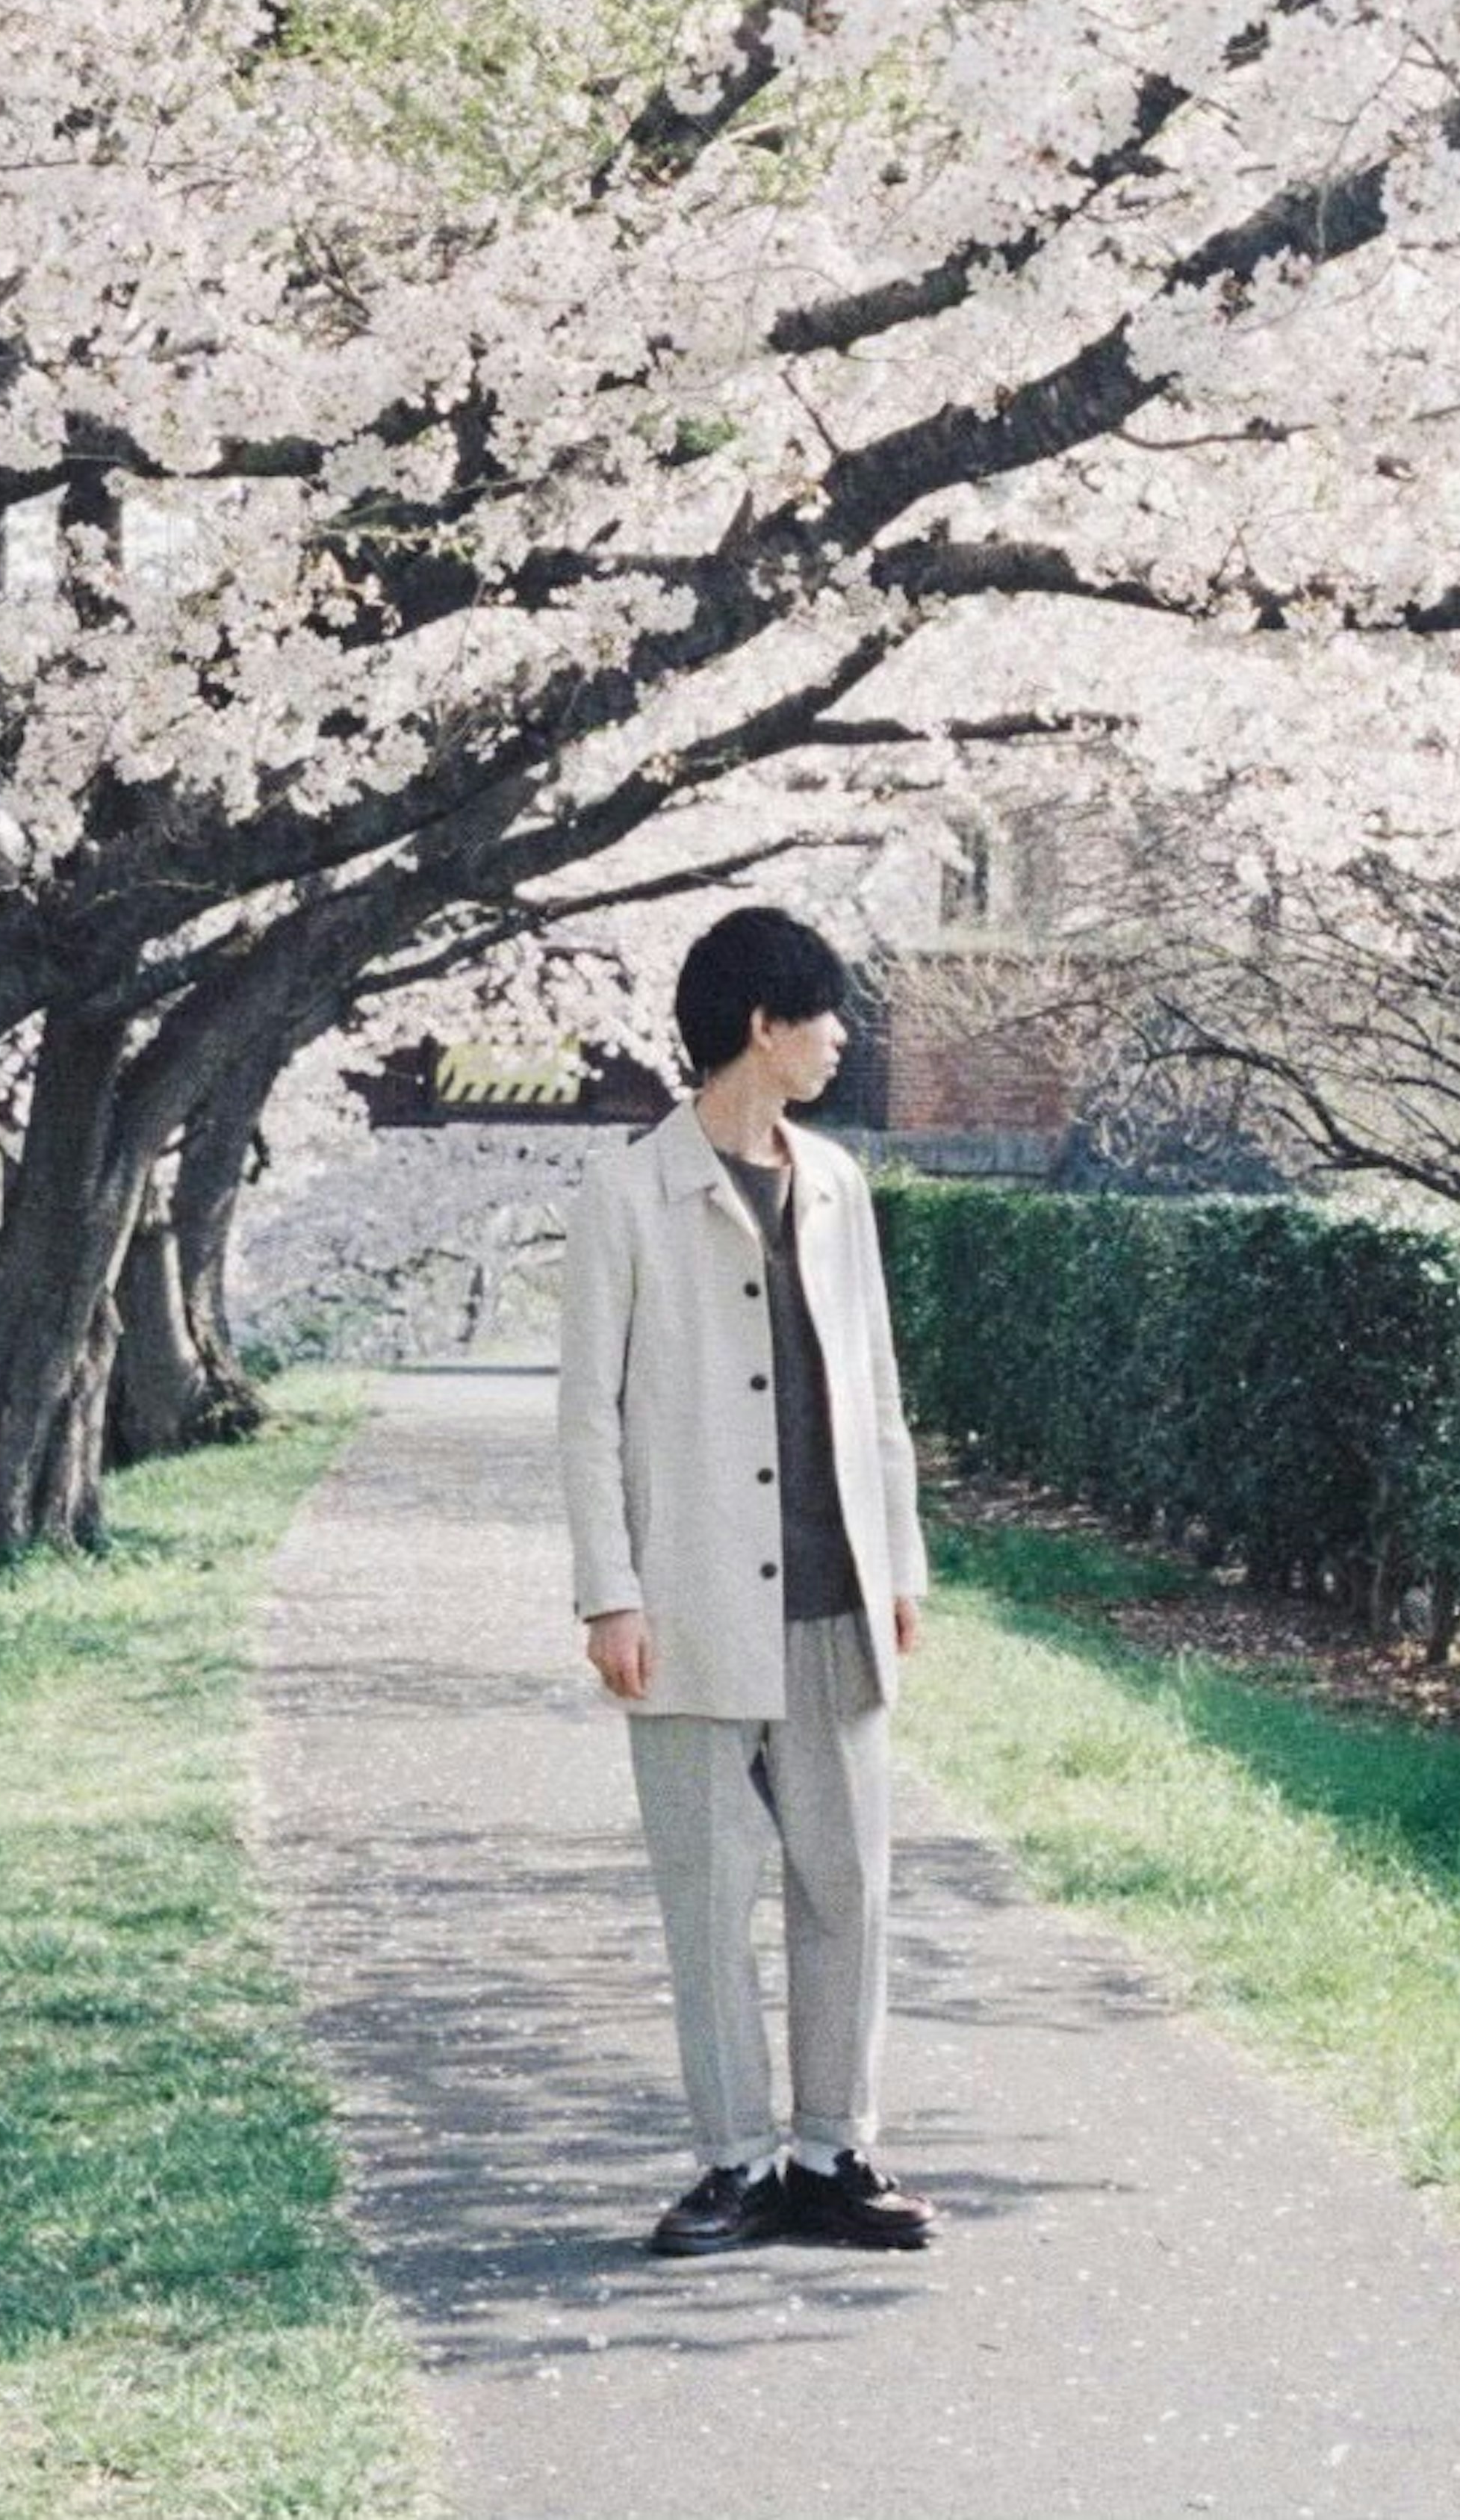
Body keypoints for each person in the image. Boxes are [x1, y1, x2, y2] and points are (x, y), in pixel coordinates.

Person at [556, 902, 939, 2260]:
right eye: (823, 1014)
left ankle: (834, 2152)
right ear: (762, 1028)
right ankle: (733, 2160)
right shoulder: (629, 1192)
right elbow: (589, 1413)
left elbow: (879, 1391)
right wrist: (611, 1590)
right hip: (696, 1597)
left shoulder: (837, 1183)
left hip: (837, 1593)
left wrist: (901, 1562)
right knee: (712, 1897)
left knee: (848, 1881)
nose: (842, 1038)